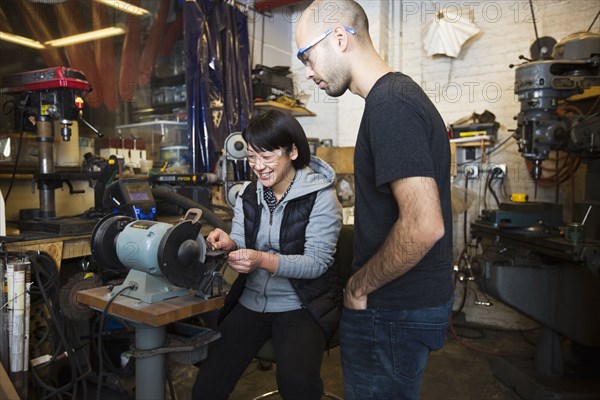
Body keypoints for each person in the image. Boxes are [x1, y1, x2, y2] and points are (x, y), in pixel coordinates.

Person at [296, 1, 454, 399]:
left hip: (391, 309)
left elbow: (424, 224)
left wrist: (359, 286)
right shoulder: (393, 98)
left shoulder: (391, 104)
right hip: (404, 307)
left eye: (306, 55)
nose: (307, 70)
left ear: (338, 37)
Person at [192, 109, 343, 400]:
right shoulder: (249, 194)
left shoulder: (320, 196)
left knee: (297, 384)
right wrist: (228, 243)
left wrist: (262, 260)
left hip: (302, 304)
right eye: (251, 157)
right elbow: (239, 239)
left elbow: (317, 263)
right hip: (251, 301)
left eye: (267, 156)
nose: (258, 166)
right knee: (208, 384)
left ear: (292, 151)